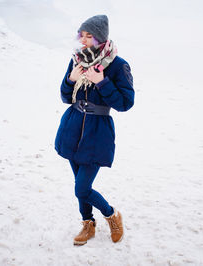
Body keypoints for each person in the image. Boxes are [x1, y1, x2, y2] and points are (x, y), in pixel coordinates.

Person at [54, 14, 134, 245]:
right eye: (83, 35)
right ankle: (87, 224)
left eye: (90, 36)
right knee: (81, 186)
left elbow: (125, 103)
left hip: (97, 133)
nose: (85, 40)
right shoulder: (76, 60)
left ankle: (111, 215)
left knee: (82, 188)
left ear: (101, 38)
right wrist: (70, 79)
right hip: (72, 127)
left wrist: (101, 81)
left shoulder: (118, 65)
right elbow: (65, 97)